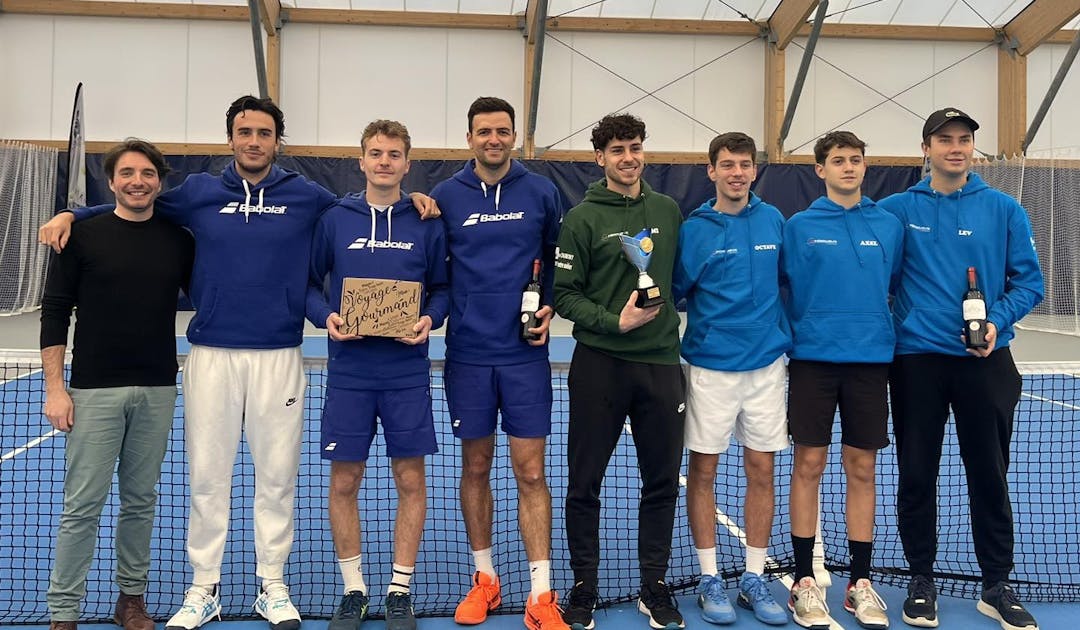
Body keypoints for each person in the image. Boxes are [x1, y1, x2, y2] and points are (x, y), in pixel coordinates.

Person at [37, 95, 438, 630]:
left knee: (277, 478)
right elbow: (136, 202)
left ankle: (272, 585)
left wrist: (415, 200)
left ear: (277, 141)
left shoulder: (306, 196)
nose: (254, 141)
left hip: (279, 356)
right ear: (231, 139)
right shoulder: (199, 192)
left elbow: (362, 203)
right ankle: (203, 589)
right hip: (212, 356)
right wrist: (75, 212)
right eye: (245, 132)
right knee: (208, 477)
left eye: (264, 133)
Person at [877, 108, 1043, 630]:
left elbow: (1030, 283)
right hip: (916, 362)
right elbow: (876, 277)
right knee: (916, 474)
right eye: (944, 139)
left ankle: (996, 585)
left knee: (989, 475)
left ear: (973, 147)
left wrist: (995, 322)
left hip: (985, 363)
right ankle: (920, 580)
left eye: (964, 139)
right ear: (925, 148)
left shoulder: (1005, 209)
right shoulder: (895, 210)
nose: (955, 147)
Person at [40, 139, 194, 630]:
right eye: (127, 173)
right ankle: (64, 611)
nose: (137, 182)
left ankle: (131, 600)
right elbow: (54, 313)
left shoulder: (179, 240)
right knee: (82, 506)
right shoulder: (80, 237)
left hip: (157, 389)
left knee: (140, 502)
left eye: (147, 173)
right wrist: (55, 389)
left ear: (159, 182)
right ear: (111, 182)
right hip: (93, 390)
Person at [428, 97, 566, 630]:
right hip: (468, 355)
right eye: (484, 131)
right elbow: (433, 266)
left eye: (502, 131)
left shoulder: (541, 192)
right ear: (469, 138)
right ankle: (485, 579)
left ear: (514, 137)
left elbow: (556, 259)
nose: (493, 139)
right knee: (476, 468)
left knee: (530, 471)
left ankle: (541, 592)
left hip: (525, 357)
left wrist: (549, 304)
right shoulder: (445, 195)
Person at [307, 120, 449, 630]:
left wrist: (431, 319)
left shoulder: (426, 220)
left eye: (393, 154)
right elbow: (309, 285)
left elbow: (442, 288)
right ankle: (354, 590)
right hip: (349, 373)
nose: (384, 162)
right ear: (361, 161)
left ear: (407, 164)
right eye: (376, 153)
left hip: (406, 373)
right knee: (344, 480)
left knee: (410, 479)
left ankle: (399, 591)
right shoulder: (334, 220)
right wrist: (326, 317)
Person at [553, 113, 686, 630]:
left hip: (661, 365)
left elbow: (680, 278)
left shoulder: (667, 210)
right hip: (599, 366)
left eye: (634, 148)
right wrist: (616, 322)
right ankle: (584, 587)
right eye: (617, 150)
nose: (628, 158)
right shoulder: (581, 219)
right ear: (600, 158)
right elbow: (565, 296)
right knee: (584, 482)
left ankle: (654, 586)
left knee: (662, 483)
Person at [782, 131, 903, 630]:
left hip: (870, 363)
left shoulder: (889, 225)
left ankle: (860, 582)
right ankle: (803, 581)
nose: (848, 167)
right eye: (838, 160)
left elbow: (894, 284)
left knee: (862, 468)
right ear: (821, 170)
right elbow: (784, 286)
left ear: (864, 166)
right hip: (812, 362)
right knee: (808, 464)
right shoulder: (799, 227)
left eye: (855, 159)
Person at [672, 132, 789, 627]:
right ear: (711, 171)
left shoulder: (774, 220)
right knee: (703, 472)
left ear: (754, 170)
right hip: (710, 369)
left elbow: (788, 281)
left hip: (766, 369)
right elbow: (674, 291)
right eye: (727, 164)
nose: (737, 172)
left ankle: (753, 577)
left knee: (762, 471)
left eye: (744, 164)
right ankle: (708, 577)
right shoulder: (694, 229)